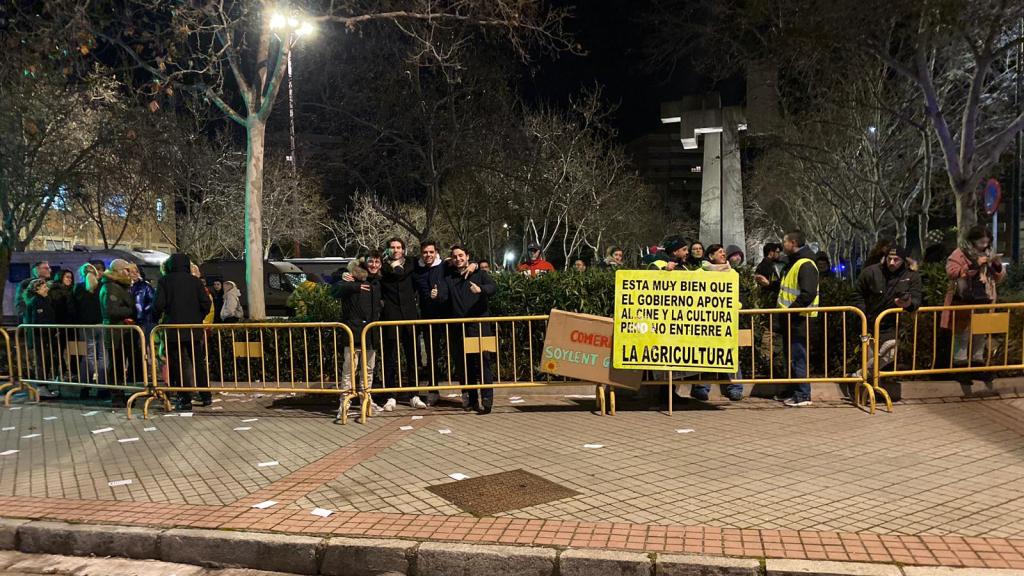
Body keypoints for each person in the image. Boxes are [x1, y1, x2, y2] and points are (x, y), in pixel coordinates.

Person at [441, 245, 497, 414]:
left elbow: (494, 287)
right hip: (458, 328)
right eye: (455, 257)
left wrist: (481, 288)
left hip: (479, 325)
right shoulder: (449, 277)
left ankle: (487, 399)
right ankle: (469, 398)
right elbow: (441, 269)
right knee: (463, 364)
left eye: (461, 256)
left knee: (483, 362)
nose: (458, 259)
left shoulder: (479, 274)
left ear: (467, 256)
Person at [851, 245, 922, 379]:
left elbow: (916, 300)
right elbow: (857, 293)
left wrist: (908, 304)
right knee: (870, 359)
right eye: (889, 259)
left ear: (904, 261)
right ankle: (865, 391)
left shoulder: (912, 276)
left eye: (896, 260)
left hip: (893, 325)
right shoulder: (871, 272)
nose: (892, 263)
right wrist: (862, 313)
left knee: (889, 353)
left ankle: (858, 376)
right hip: (870, 322)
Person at [154, 254, 213, 410]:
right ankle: (205, 395)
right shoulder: (195, 282)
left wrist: (160, 318)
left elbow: (158, 304)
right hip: (193, 328)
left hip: (173, 329)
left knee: (177, 364)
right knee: (198, 362)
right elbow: (206, 303)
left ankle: (184, 397)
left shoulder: (165, 281)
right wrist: (197, 317)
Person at [687, 244, 745, 402]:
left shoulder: (732, 273)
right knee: (706, 353)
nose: (723, 254)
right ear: (711, 256)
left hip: (727, 321)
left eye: (724, 252)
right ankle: (701, 388)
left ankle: (736, 388)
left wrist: (735, 306)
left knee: (730, 353)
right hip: (705, 321)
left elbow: (738, 296)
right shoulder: (699, 273)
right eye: (720, 252)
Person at [942, 225, 1005, 365]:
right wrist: (974, 264)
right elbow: (952, 272)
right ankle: (960, 363)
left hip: (985, 298)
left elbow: (999, 277)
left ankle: (978, 362)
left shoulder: (989, 253)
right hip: (964, 298)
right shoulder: (960, 253)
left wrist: (996, 265)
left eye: (987, 242)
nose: (984, 245)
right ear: (973, 240)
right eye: (981, 242)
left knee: (981, 332)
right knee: (962, 333)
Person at [333, 253, 383, 417]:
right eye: (371, 262)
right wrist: (352, 284)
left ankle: (366, 399)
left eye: (377, 262)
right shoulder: (352, 278)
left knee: (368, 370)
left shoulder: (378, 282)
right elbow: (334, 288)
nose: (374, 265)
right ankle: (344, 403)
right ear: (364, 263)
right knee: (349, 370)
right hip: (353, 333)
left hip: (370, 333)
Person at [775, 230, 819, 407]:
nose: (782, 246)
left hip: (800, 319)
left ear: (792, 243)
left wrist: (790, 311)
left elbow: (807, 294)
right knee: (791, 356)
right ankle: (794, 390)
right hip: (792, 319)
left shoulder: (805, 264)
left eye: (784, 242)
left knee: (798, 356)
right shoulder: (794, 263)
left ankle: (802, 394)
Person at [380, 237, 424, 411]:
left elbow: (435, 262)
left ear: (404, 250)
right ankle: (390, 395)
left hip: (410, 317)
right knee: (390, 358)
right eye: (392, 247)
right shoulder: (382, 267)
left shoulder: (412, 264)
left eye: (399, 247)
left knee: (413, 357)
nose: (396, 250)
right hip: (390, 317)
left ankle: (414, 394)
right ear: (387, 250)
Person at [412, 240, 450, 406]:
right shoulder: (416, 269)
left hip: (449, 317)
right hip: (428, 319)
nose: (428, 255)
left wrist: (475, 266)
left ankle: (468, 392)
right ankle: (433, 390)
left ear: (436, 252)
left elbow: (465, 266)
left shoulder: (445, 266)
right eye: (425, 252)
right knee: (432, 355)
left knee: (455, 354)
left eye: (431, 252)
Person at [100, 259, 140, 393]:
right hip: (116, 332)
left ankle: (124, 391)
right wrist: (132, 311)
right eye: (126, 270)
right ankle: (116, 394)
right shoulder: (111, 287)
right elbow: (111, 310)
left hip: (123, 332)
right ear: (118, 271)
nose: (129, 273)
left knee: (122, 363)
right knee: (116, 364)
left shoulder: (120, 286)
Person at [72, 264, 107, 394]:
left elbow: (74, 307)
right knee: (103, 356)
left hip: (85, 326)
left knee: (87, 356)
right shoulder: (102, 287)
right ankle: (103, 387)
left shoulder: (78, 288)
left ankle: (85, 386)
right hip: (101, 324)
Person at [23, 278, 59, 399]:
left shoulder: (43, 300)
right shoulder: (36, 302)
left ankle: (44, 387)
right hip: (40, 338)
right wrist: (50, 331)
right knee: (42, 362)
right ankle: (41, 387)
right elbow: (37, 321)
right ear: (37, 289)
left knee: (45, 361)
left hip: (45, 337)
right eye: (44, 287)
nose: (47, 289)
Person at [129, 265, 157, 337]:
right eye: (132, 272)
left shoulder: (145, 286)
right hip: (130, 322)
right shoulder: (126, 287)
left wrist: (143, 312)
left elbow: (152, 301)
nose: (135, 274)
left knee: (144, 343)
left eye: (137, 271)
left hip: (145, 321)